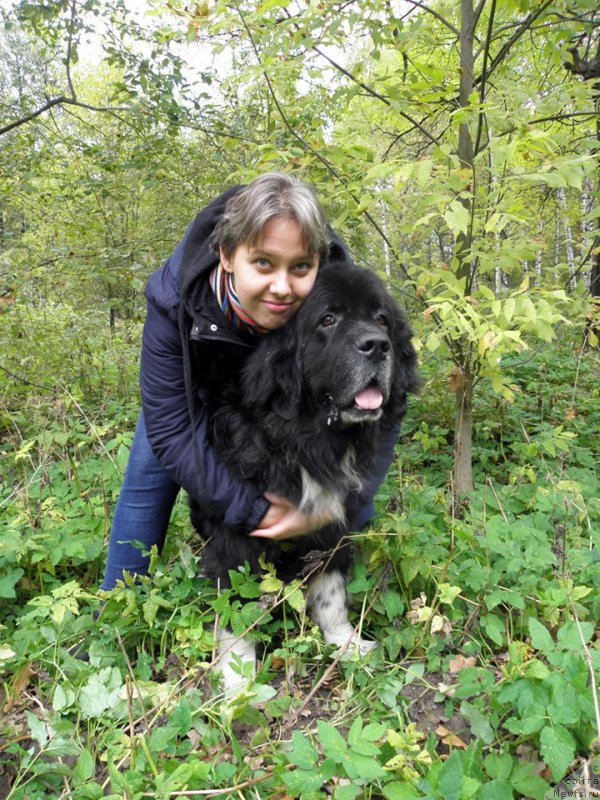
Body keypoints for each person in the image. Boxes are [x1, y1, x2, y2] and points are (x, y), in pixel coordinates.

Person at [99, 172, 401, 591]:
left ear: (319, 258)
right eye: (263, 263)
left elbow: (392, 399)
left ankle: (321, 578)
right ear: (226, 255)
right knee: (150, 471)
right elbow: (173, 430)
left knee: (348, 498)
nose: (282, 287)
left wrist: (346, 499)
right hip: (206, 374)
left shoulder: (339, 292)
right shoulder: (174, 300)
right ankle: (117, 605)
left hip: (291, 389)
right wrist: (255, 513)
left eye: (300, 266)